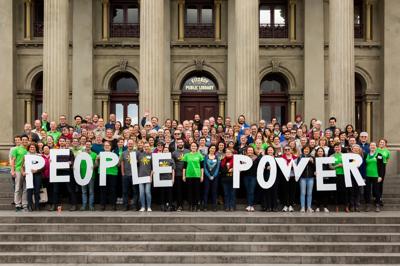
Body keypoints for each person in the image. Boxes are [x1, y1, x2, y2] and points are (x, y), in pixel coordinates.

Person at [97, 141, 118, 211]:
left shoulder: (114, 154)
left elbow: (118, 164)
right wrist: (97, 159)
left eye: (108, 145)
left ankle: (113, 205)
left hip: (112, 173)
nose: (106, 146)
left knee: (112, 190)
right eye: (105, 145)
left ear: (110, 146)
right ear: (103, 147)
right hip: (102, 173)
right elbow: (96, 164)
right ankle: (102, 205)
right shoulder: (100, 154)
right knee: (103, 189)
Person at [183, 142, 204, 212]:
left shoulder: (200, 155)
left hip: (197, 175)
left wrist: (202, 176)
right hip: (189, 175)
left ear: (197, 147)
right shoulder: (186, 155)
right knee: (189, 191)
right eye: (192, 146)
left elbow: (202, 167)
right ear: (190, 147)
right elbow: (184, 167)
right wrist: (184, 176)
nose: (193, 147)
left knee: (197, 191)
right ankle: (191, 205)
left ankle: (196, 205)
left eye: (195, 146)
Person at [22, 144, 43, 212]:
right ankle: (29, 205)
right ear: (28, 148)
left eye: (33, 147)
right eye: (31, 147)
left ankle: (37, 205)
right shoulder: (25, 156)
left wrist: (37, 170)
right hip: (28, 175)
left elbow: (43, 167)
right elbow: (21, 166)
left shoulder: (39, 156)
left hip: (37, 175)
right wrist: (23, 172)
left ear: (36, 148)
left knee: (37, 190)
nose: (32, 148)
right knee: (29, 190)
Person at [10, 135, 29, 211]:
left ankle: (24, 204)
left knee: (25, 188)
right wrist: (12, 170)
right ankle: (17, 204)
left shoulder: (28, 150)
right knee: (18, 187)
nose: (24, 141)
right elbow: (13, 160)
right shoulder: (16, 149)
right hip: (18, 170)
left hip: (27, 171)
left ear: (28, 141)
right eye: (23, 140)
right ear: (21, 141)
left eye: (26, 140)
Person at [365, 142, 385, 212]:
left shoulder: (379, 155)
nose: (372, 147)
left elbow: (382, 167)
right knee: (367, 191)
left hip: (376, 176)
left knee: (376, 191)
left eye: (374, 145)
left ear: (376, 147)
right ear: (369, 147)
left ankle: (377, 205)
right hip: (367, 176)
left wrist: (380, 176)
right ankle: (367, 205)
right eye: (371, 145)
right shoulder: (366, 155)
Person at [121, 139, 139, 211]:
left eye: (131, 143)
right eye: (129, 143)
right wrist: (122, 173)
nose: (130, 145)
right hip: (126, 175)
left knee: (135, 191)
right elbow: (122, 163)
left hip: (134, 175)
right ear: (127, 144)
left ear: (133, 144)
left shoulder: (137, 153)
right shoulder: (123, 153)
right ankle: (126, 205)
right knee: (125, 191)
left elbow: (140, 163)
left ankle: (134, 205)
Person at [172, 138, 189, 211]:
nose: (180, 143)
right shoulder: (174, 153)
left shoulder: (188, 151)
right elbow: (173, 164)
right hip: (178, 174)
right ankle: (179, 205)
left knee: (186, 190)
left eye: (181, 142)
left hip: (188, 174)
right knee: (179, 190)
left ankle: (187, 204)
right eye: (178, 142)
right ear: (177, 143)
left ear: (183, 143)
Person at [80, 141, 97, 211]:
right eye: (86, 144)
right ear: (85, 145)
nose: (88, 146)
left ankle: (91, 206)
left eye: (89, 144)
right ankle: (84, 206)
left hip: (91, 175)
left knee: (91, 192)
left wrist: (95, 163)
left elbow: (96, 165)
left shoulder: (94, 154)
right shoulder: (81, 154)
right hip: (82, 176)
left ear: (91, 146)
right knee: (84, 192)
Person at [203, 144, 220, 211]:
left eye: (214, 148)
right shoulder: (206, 157)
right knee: (206, 192)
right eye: (211, 148)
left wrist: (213, 175)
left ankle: (214, 206)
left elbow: (217, 167)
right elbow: (204, 167)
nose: (212, 149)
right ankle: (205, 206)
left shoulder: (217, 157)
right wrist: (209, 176)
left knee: (214, 192)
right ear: (209, 149)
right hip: (207, 177)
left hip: (215, 177)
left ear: (215, 150)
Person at [242, 146, 260, 212]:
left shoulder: (256, 158)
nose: (250, 151)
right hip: (245, 176)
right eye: (248, 150)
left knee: (251, 191)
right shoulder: (243, 158)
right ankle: (248, 205)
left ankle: (251, 205)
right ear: (246, 151)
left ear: (253, 151)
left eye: (251, 150)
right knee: (248, 191)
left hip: (253, 177)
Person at [298, 145, 315, 213]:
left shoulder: (312, 157)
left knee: (310, 193)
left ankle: (309, 207)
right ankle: (302, 207)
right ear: (303, 150)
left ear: (309, 150)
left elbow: (315, 167)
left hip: (310, 177)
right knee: (303, 192)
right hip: (302, 178)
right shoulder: (300, 157)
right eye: (305, 149)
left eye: (307, 149)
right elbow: (298, 167)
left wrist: (312, 162)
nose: (306, 150)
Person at [137, 142, 153, 212]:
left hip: (148, 176)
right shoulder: (139, 155)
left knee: (147, 192)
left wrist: (151, 176)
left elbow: (153, 167)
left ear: (150, 147)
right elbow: (136, 165)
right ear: (143, 147)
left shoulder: (152, 155)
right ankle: (143, 206)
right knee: (141, 193)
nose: (146, 147)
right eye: (145, 146)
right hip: (140, 176)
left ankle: (149, 207)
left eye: (147, 146)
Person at [158, 145, 176, 211]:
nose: (165, 151)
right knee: (162, 193)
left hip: (169, 178)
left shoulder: (171, 159)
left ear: (169, 152)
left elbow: (173, 170)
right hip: (161, 179)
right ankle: (162, 205)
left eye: (167, 150)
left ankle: (170, 205)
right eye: (164, 150)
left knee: (169, 193)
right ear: (162, 152)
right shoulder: (159, 159)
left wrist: (173, 179)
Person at [281, 145, 297, 212]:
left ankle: (290, 205)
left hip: (293, 177)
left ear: (291, 150)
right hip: (285, 177)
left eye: (288, 149)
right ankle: (285, 205)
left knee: (292, 191)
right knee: (285, 191)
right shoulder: (282, 157)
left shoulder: (295, 158)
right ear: (284, 151)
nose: (287, 151)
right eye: (286, 149)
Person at [331, 143, 347, 212]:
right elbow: (330, 166)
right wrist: (337, 166)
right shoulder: (331, 156)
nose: (337, 148)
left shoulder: (344, 156)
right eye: (336, 147)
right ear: (334, 148)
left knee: (344, 191)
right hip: (335, 175)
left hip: (344, 175)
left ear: (341, 148)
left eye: (339, 147)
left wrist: (343, 165)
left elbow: (348, 165)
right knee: (336, 191)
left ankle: (346, 206)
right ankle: (336, 206)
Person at [262, 146, 278, 212]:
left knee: (274, 192)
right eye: (269, 150)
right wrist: (266, 168)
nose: (270, 151)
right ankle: (267, 207)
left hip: (275, 177)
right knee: (267, 192)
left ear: (273, 151)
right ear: (267, 151)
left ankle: (274, 207)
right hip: (266, 176)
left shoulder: (277, 158)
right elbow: (262, 167)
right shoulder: (264, 158)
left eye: (271, 150)